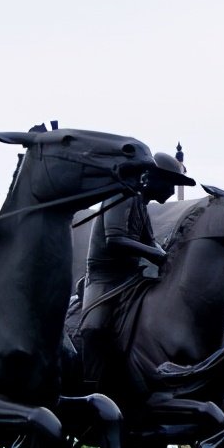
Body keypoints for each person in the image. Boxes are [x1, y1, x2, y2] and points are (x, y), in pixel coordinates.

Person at [78, 151, 193, 392]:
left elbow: (150, 241)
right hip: (105, 279)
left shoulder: (142, 205)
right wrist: (156, 255)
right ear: (150, 177)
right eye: (170, 183)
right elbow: (115, 238)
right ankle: (89, 389)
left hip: (131, 277)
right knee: (95, 328)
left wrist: (172, 258)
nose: (172, 191)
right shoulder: (121, 195)